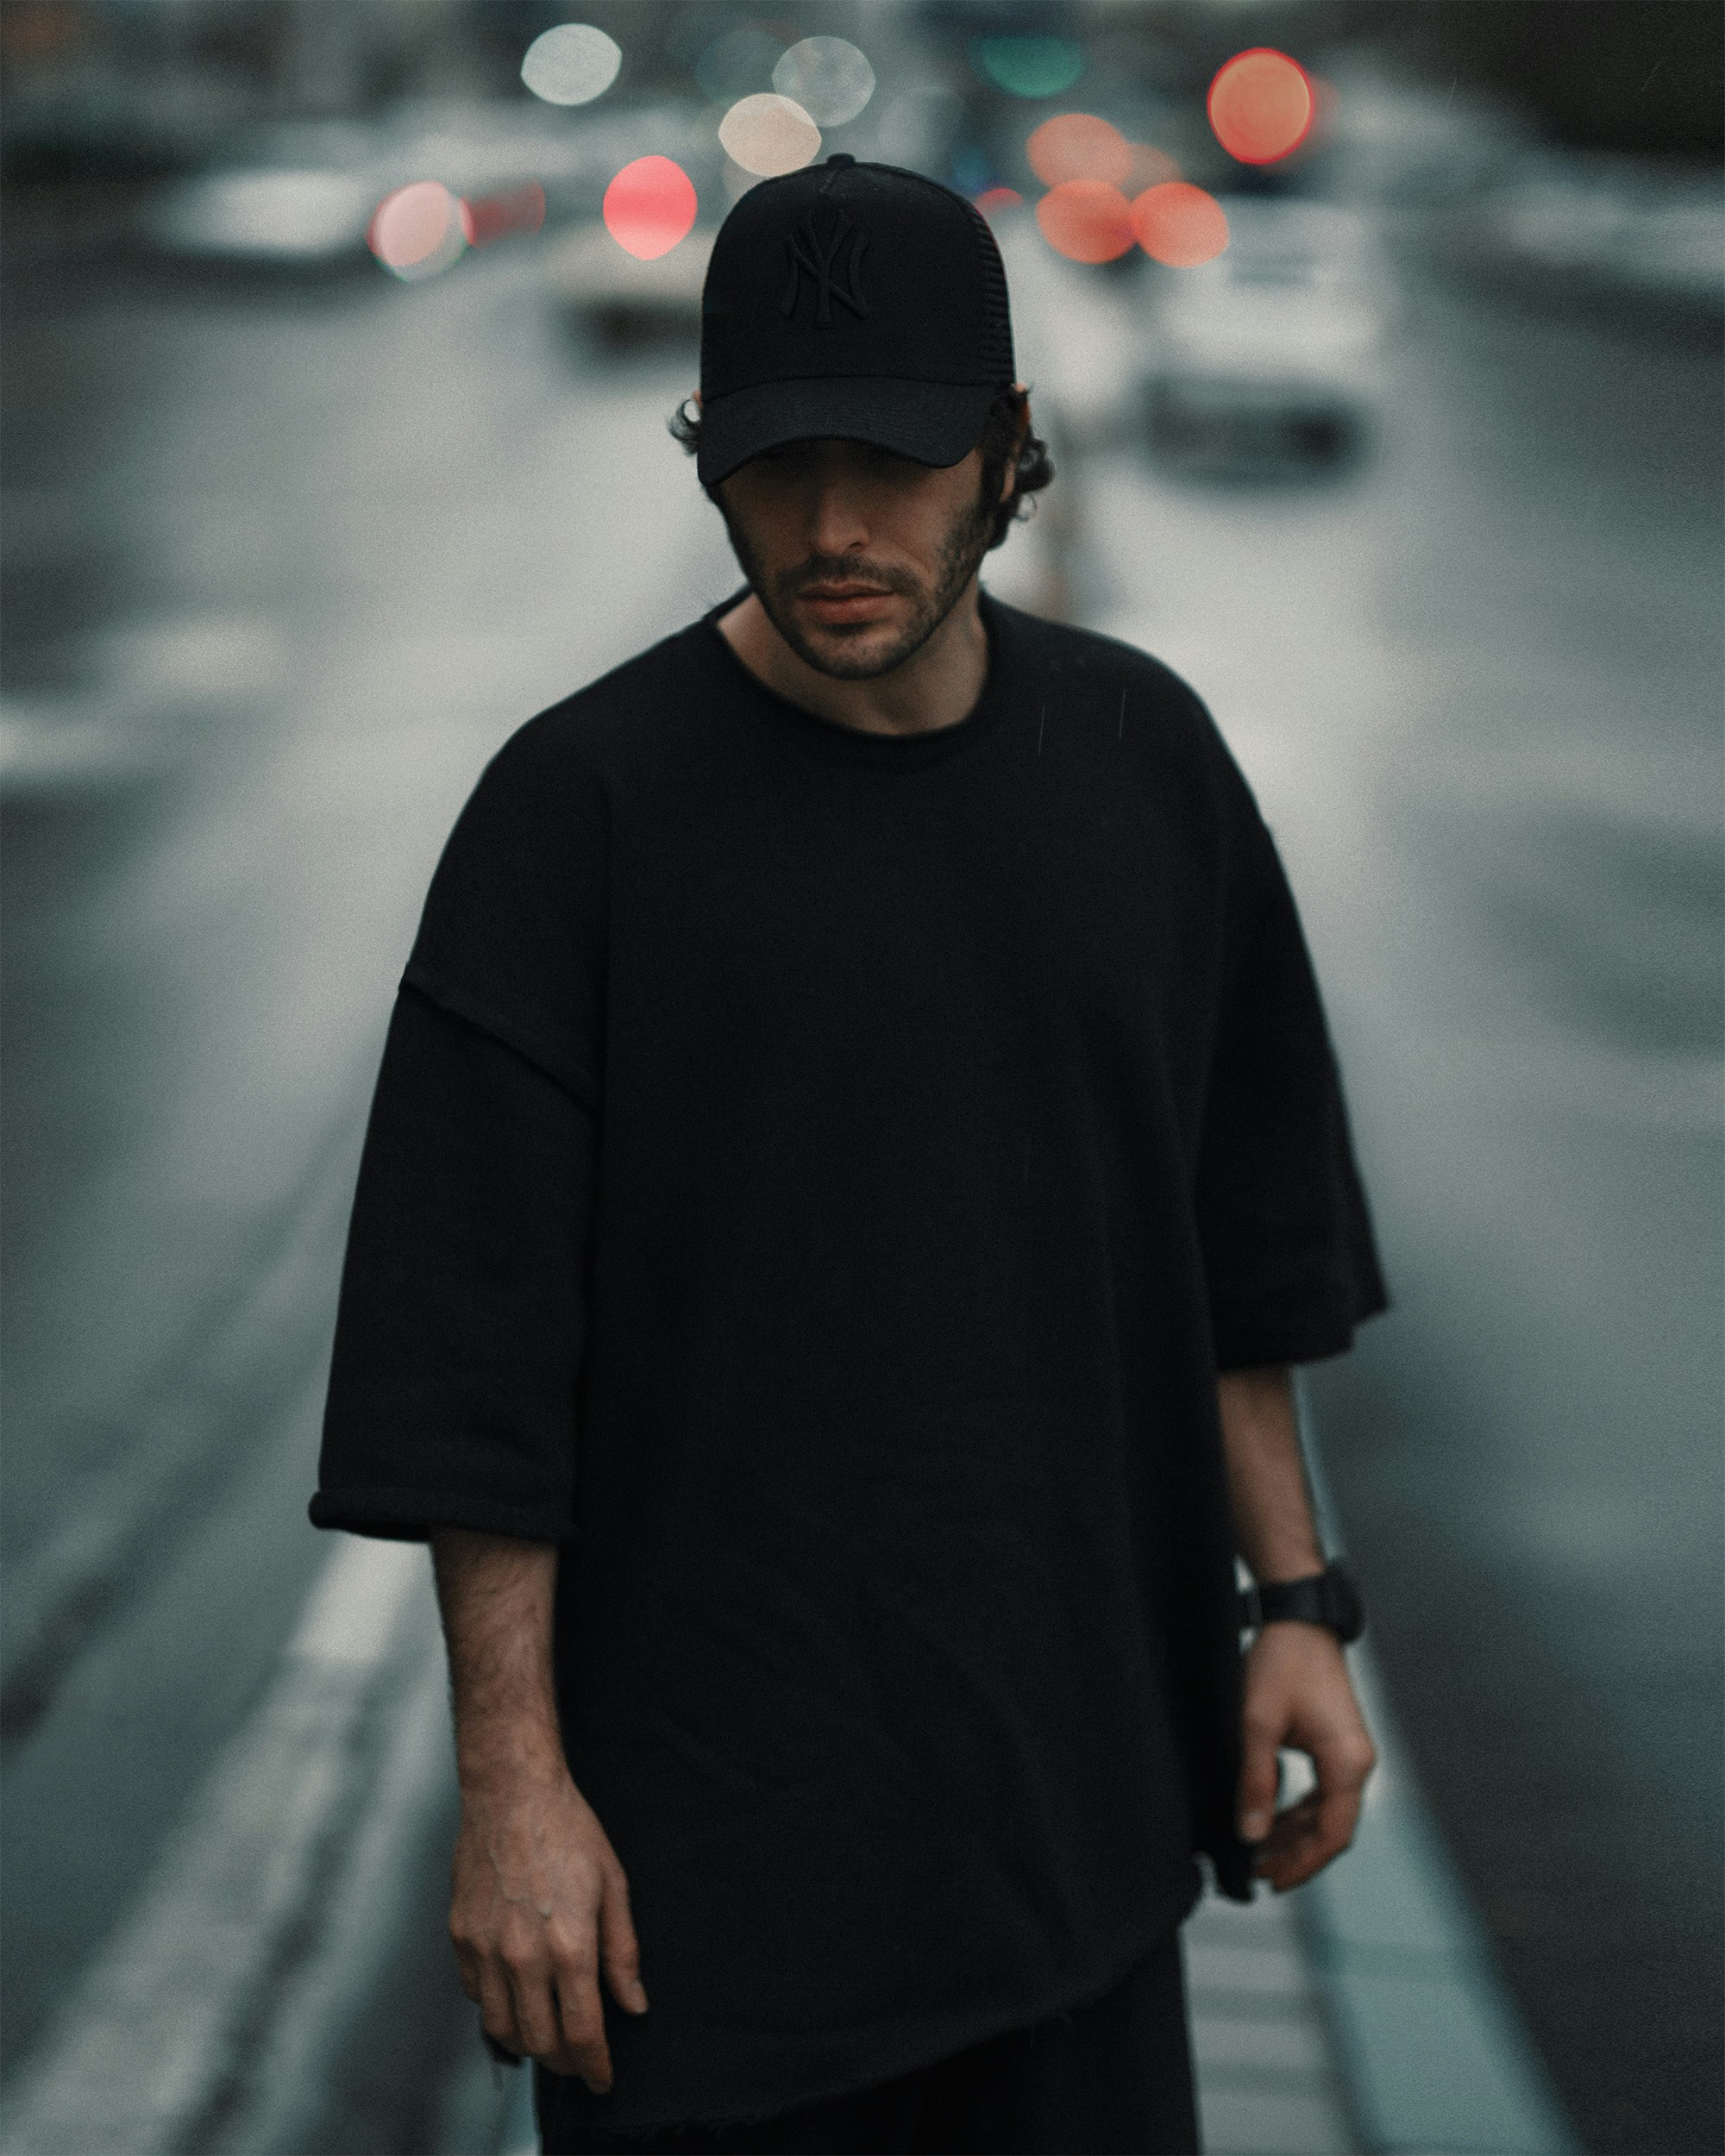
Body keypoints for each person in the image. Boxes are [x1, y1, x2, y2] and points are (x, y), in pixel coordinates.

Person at [310, 154, 1390, 2156]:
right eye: (775, 464)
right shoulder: (578, 815)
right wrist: (514, 1790)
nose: (829, 530)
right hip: (693, 1895)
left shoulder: (1142, 764)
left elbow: (1245, 1239)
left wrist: (1299, 1605)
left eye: (893, 466)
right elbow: (467, 1377)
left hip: (1075, 1829)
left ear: (1009, 457)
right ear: (706, 458)